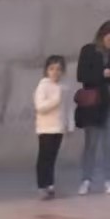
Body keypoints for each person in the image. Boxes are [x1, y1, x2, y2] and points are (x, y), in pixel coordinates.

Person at [76, 20, 110, 195]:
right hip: (95, 102)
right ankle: (86, 179)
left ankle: (109, 179)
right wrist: (101, 73)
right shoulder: (88, 50)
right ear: (102, 35)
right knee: (91, 142)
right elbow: (82, 75)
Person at [33, 55, 74, 199]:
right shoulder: (43, 86)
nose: (55, 72)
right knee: (44, 157)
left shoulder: (65, 87)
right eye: (52, 69)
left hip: (59, 127)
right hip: (46, 128)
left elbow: (68, 108)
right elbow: (40, 107)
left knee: (52, 157)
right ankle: (41, 186)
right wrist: (55, 101)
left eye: (58, 69)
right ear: (46, 70)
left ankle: (50, 184)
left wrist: (70, 125)